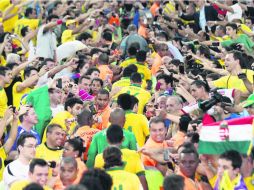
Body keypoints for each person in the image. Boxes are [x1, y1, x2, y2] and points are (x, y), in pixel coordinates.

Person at [94, 124, 147, 190]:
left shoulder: (99, 158)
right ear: (123, 139)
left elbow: (97, 182)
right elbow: (141, 177)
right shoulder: (133, 155)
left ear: (107, 139)